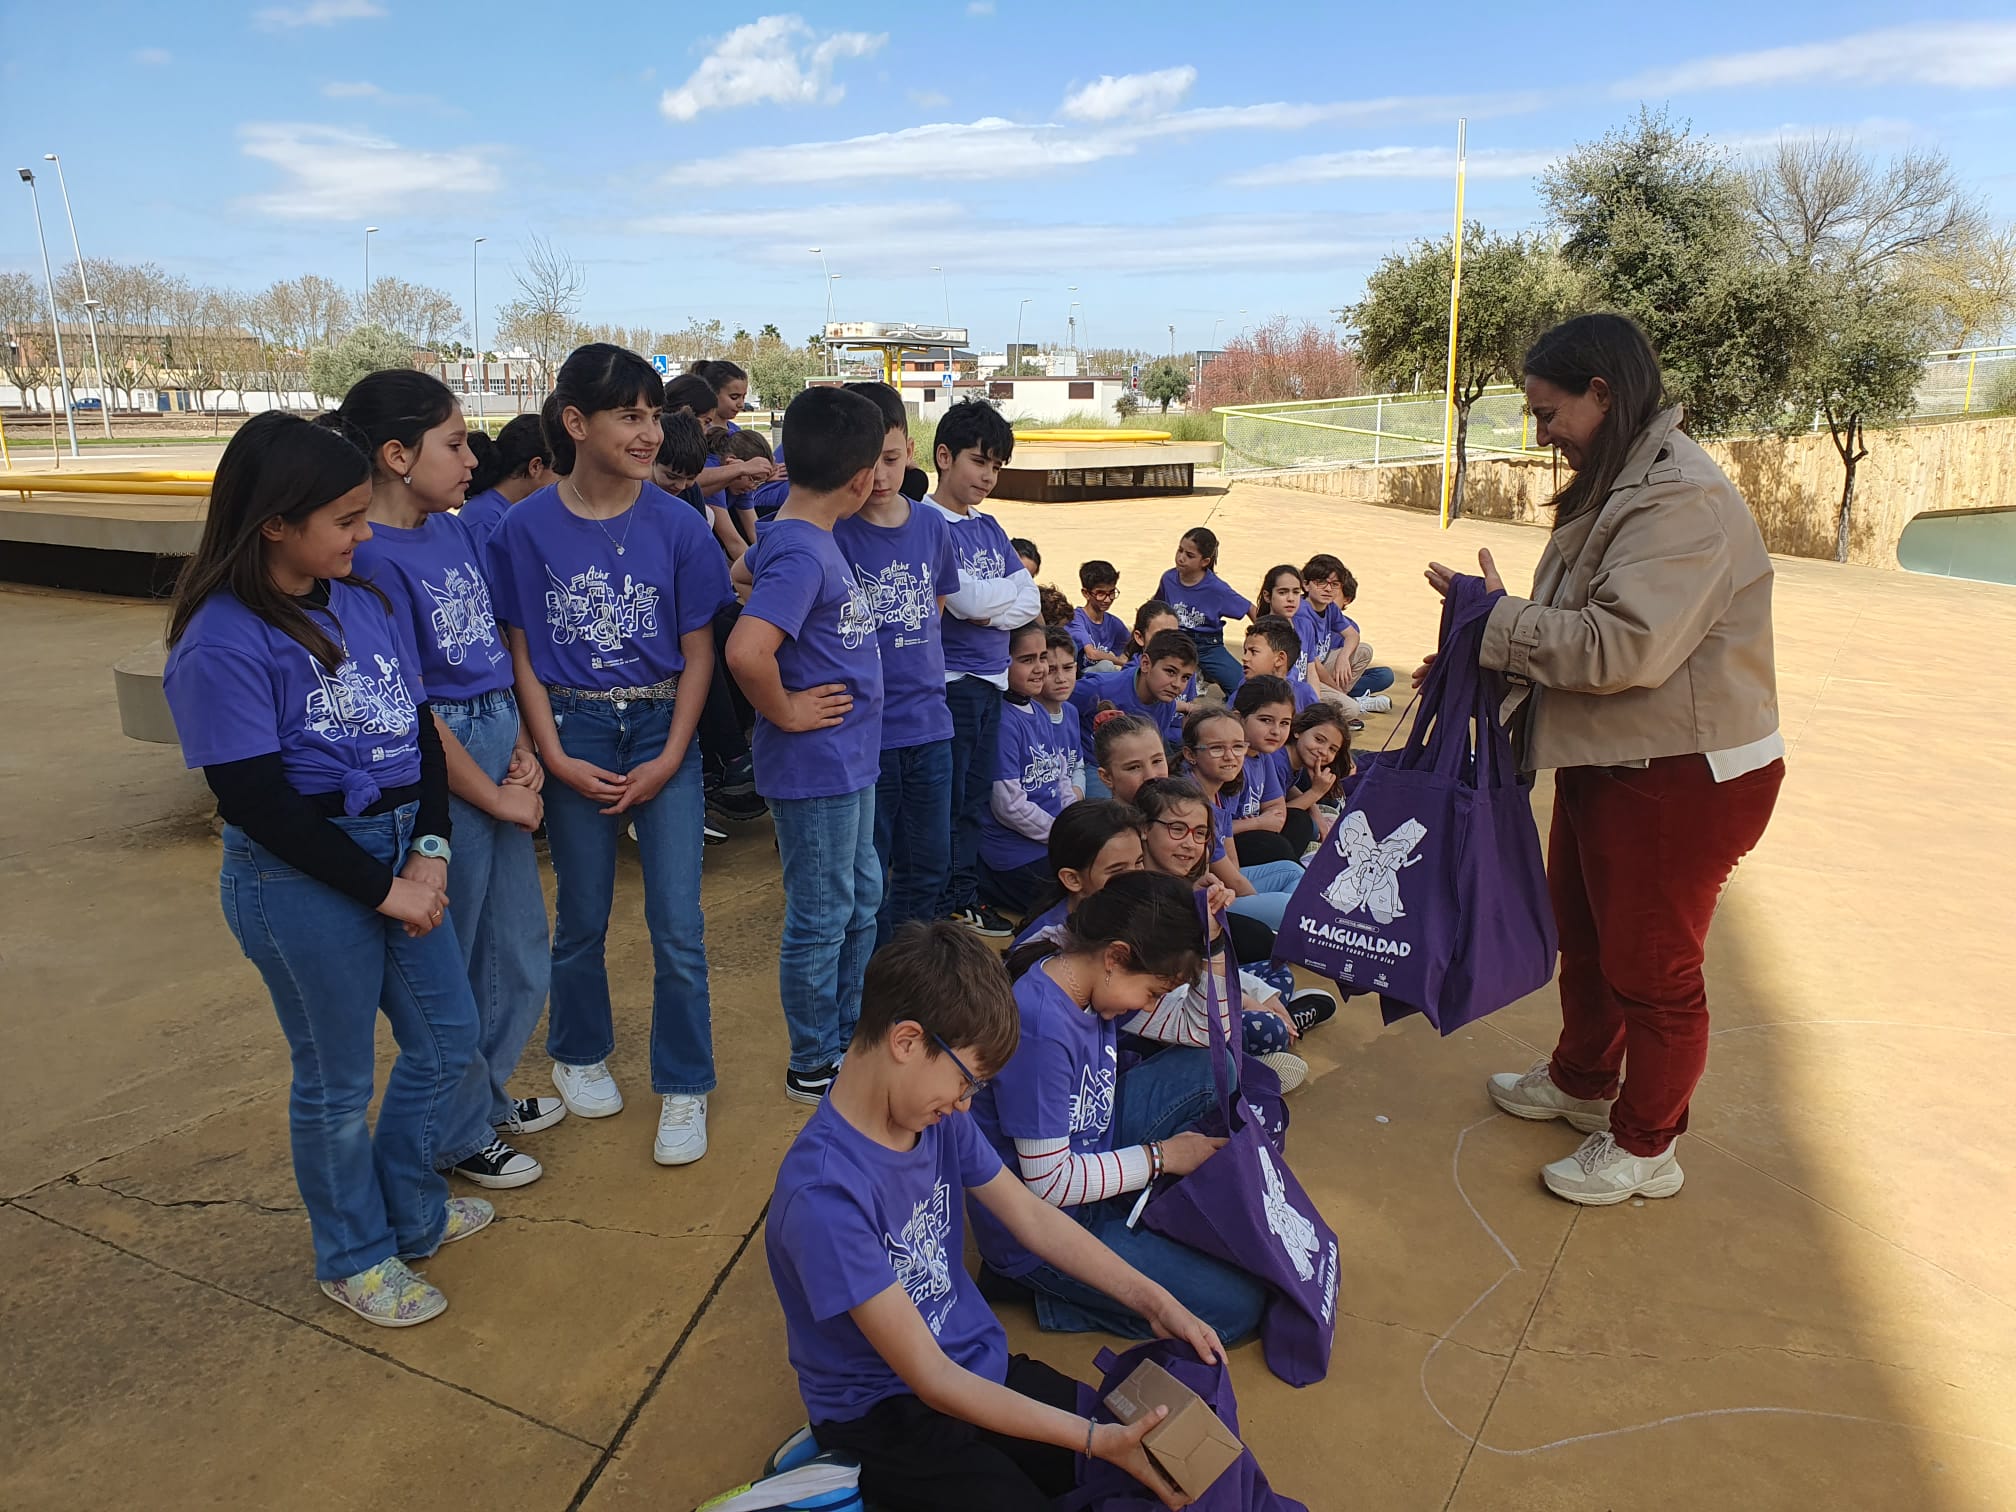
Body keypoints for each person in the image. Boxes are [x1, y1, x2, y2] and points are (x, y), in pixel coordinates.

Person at [1436, 313, 1784, 1206]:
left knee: (1655, 969)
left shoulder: (1681, 499)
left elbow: (1624, 648)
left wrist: (1495, 625)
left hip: (1681, 774)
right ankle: (1585, 1081)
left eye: (1549, 413)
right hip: (1618, 756)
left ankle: (1646, 1144)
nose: (1542, 433)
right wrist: (1494, 634)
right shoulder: (1626, 478)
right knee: (1585, 937)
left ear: (1603, 393)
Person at [162, 411, 488, 1327]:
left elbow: (419, 734)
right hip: (298, 877)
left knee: (445, 1038)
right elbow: (256, 802)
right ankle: (355, 1253)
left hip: (399, 855)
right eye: (344, 520)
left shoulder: (364, 598)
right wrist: (385, 889)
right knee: (337, 1080)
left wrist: (427, 850)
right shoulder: (222, 640)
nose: (362, 534)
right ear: (274, 522)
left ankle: (407, 1210)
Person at [766, 919, 1222, 1512]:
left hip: (978, 1366)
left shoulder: (937, 1117)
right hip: (892, 1413)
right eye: (965, 1081)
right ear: (907, 1041)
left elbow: (1032, 1220)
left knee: (1154, 1468)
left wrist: (1154, 1300)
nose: (965, 1104)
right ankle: (838, 1472)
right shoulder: (825, 1197)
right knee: (1091, 1461)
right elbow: (931, 1380)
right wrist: (1094, 1440)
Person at [488, 343, 730, 1166]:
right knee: (581, 914)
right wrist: (551, 752)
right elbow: (520, 646)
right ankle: (578, 1049)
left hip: (664, 727)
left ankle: (685, 1083)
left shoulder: (680, 523)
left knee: (678, 921)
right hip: (575, 730)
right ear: (575, 421)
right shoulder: (524, 528)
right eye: (630, 415)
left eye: (653, 414)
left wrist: (672, 754)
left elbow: (699, 650)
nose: (649, 432)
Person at [340, 370, 560, 1192]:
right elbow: (416, 708)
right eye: (457, 443)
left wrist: (522, 749)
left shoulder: (456, 529)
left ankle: (482, 1095)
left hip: (492, 733)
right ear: (397, 455)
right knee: (460, 960)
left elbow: (491, 650)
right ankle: (456, 1130)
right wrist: (492, 786)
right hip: (448, 760)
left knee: (516, 949)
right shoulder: (370, 556)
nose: (475, 458)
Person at [974, 871, 1270, 1343]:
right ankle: (1039, 1292)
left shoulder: (1090, 979)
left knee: (1211, 1069)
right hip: (1043, 1228)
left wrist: (1211, 943)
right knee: (1237, 1309)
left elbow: (1205, 1033)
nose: (1151, 1001)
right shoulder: (1041, 1026)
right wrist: (1162, 1157)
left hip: (1092, 1156)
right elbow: (1048, 1184)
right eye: (1154, 990)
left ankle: (1128, 1202)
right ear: (1116, 957)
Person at [728, 385, 889, 1105]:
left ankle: (849, 1028)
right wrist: (787, 710)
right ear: (859, 481)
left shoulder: (796, 541)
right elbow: (746, 652)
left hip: (849, 760)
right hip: (816, 764)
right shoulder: (801, 552)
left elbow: (742, 576)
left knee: (860, 897)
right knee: (822, 915)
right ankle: (814, 1058)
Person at [1010, 800, 1328, 1078]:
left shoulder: (1124, 905)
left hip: (1172, 1002)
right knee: (1235, 1046)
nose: (1135, 876)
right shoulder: (1073, 953)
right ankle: (1262, 1046)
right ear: (1072, 879)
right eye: (1118, 870)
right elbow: (1201, 1024)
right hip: (1139, 1043)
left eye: (1138, 863)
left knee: (1275, 977)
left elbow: (1178, 978)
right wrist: (1233, 985)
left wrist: (1253, 993)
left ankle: (1264, 1036)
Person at [830, 382, 960, 947]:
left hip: (930, 725)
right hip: (865, 732)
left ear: (909, 447)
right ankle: (873, 977)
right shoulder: (829, 529)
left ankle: (909, 966)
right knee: (869, 871)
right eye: (865, 462)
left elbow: (933, 608)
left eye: (889, 458)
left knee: (929, 862)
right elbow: (748, 576)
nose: (879, 476)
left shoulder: (931, 526)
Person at [929, 400, 1036, 939]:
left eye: (997, 466)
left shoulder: (989, 526)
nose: (989, 476)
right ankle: (946, 898)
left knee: (973, 798)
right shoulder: (928, 523)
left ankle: (961, 893)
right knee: (951, 801)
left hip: (990, 679)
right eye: (979, 462)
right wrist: (995, 603)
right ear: (944, 457)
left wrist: (986, 604)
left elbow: (1030, 599)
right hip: (952, 682)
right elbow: (962, 600)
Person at [977, 624, 1080, 914]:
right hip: (1015, 855)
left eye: (1042, 657)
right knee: (1079, 901)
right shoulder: (1001, 722)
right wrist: (1063, 834)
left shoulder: (1039, 711)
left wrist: (1074, 822)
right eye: (1026, 660)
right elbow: (1009, 805)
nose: (1040, 669)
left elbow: (1060, 776)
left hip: (1052, 839)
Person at [1177, 707, 1307, 927]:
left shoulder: (1224, 789)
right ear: (1190, 755)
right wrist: (1258, 904)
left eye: (1238, 747)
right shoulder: (1190, 801)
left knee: (1292, 871)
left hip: (1220, 885)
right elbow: (1233, 880)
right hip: (1192, 900)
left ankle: (1275, 928)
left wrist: (1257, 904)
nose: (1230, 757)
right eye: (1217, 748)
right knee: (1293, 908)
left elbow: (1232, 863)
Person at [1067, 628, 1196, 798]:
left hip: (1136, 768)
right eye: (1170, 672)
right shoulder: (1101, 687)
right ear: (1145, 664)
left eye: (1185, 677)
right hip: (1093, 763)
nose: (1177, 684)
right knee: (1109, 813)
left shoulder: (1166, 705)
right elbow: (1057, 706)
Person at [1157, 526, 1251, 697]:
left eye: (1189, 555)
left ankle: (1206, 672)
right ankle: (1196, 673)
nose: (1181, 558)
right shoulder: (1168, 578)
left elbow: (1249, 608)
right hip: (1175, 641)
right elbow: (1156, 607)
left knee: (1244, 689)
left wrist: (1262, 640)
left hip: (1208, 646)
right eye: (1180, 550)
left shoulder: (1217, 588)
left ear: (1205, 561)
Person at [1302, 553, 1394, 713]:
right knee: (1352, 709)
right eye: (1321, 582)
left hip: (1323, 670)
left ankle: (1340, 700)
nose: (1328, 588)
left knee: (1365, 652)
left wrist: (1343, 658)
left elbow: (1352, 636)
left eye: (1334, 584)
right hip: (1304, 675)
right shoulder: (1302, 614)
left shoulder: (1330, 608)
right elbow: (1313, 666)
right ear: (1306, 585)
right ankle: (1341, 703)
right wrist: (1336, 690)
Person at [1224, 675, 1298, 866]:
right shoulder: (1228, 761)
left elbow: (1277, 808)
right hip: (1226, 844)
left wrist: (1266, 821)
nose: (1276, 731)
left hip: (1251, 829)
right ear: (1237, 718)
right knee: (1274, 846)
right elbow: (1215, 829)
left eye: (1284, 723)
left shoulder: (1263, 756)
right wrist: (1257, 823)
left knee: (1300, 822)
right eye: (1266, 720)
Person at [459, 413, 554, 547]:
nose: (563, 482)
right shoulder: (484, 519)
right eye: (560, 470)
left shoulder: (513, 511)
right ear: (535, 467)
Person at [704, 424, 776, 562]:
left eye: (758, 482)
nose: (753, 487)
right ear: (732, 462)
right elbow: (732, 541)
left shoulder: (745, 481)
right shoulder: (714, 472)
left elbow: (754, 532)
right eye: (754, 479)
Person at [1090, 710, 1169, 805]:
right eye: (1134, 767)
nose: (1151, 776)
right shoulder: (1099, 819)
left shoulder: (1183, 815)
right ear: (1107, 777)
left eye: (1157, 761)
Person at [1241, 613, 1317, 712]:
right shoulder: (1244, 690)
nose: (1245, 658)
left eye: (1253, 652)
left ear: (1279, 659)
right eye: (1245, 651)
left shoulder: (1304, 693)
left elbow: (1318, 724)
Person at [1070, 560, 1130, 669]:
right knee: (1106, 666)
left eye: (1111, 593)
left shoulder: (1115, 624)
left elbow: (1131, 647)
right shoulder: (1076, 619)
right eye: (1100, 594)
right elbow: (1091, 654)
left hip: (1103, 678)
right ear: (1086, 593)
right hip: (1081, 677)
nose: (1107, 600)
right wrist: (1122, 663)